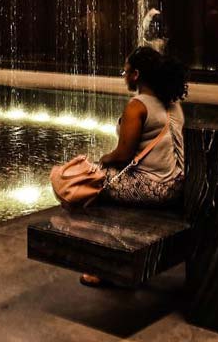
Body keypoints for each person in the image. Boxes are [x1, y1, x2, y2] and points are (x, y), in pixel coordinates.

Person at [80, 46, 187, 287]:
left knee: (88, 185)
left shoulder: (137, 106)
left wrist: (103, 159)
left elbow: (123, 155)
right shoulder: (172, 102)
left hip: (155, 187)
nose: (124, 76)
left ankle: (105, 267)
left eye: (126, 72)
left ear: (136, 75)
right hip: (176, 182)